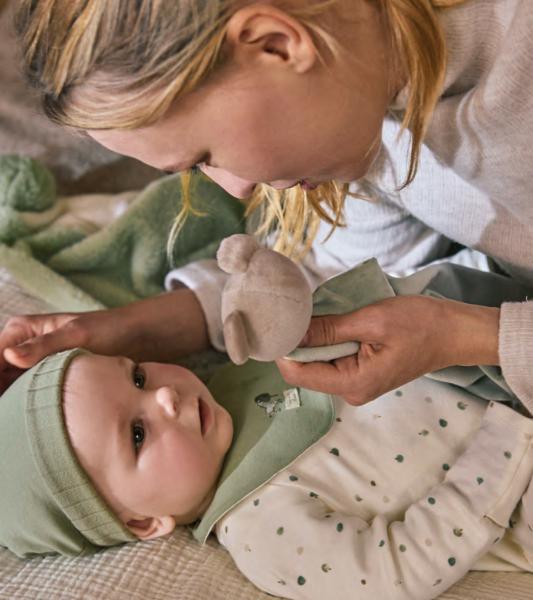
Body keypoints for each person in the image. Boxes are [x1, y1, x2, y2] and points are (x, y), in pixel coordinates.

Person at [2, 0, 533, 411]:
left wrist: (471, 337)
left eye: (205, 157)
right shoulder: (360, 107)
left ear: (276, 44)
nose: (236, 189)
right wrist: (123, 332)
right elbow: (327, 276)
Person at [2, 347, 533, 600]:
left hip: (494, 362)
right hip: (516, 483)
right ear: (144, 523)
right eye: (137, 434)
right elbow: (396, 570)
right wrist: (505, 441)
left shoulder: (229, 381)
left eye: (137, 375)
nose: (163, 395)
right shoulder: (260, 531)